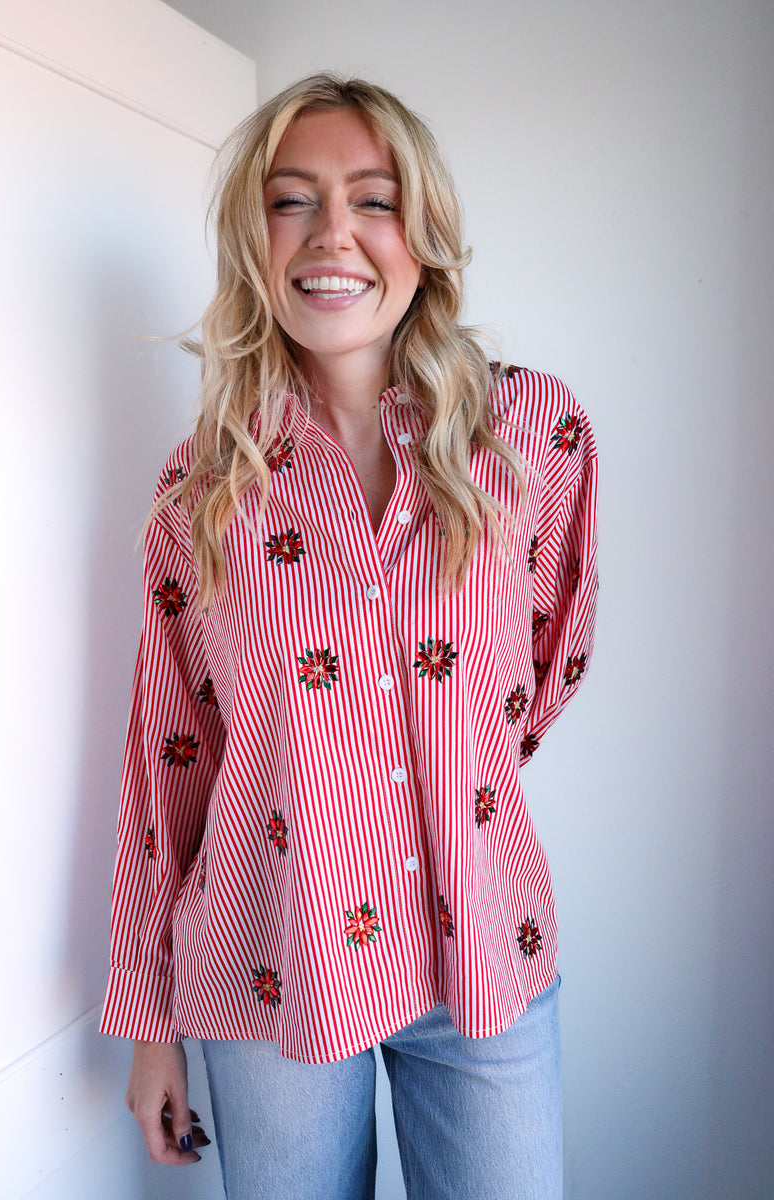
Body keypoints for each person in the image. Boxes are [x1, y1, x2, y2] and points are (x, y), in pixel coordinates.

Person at [100, 73, 598, 1200]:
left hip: (482, 951)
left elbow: (544, 669)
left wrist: (437, 771)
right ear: (251, 237)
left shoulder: (533, 433)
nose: (333, 234)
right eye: (291, 200)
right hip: (271, 958)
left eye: (372, 199)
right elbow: (166, 758)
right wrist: (148, 1019)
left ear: (422, 234)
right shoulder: (203, 489)